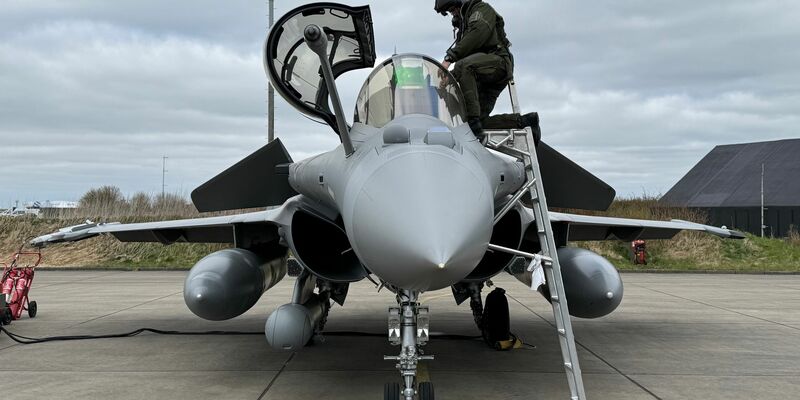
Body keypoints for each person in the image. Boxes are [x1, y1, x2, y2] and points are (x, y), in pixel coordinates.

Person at [435, 0, 541, 143]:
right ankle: (525, 121)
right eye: (450, 12)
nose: (453, 14)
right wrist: (450, 77)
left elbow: (478, 34)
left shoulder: (481, 10)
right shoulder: (464, 29)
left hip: (498, 63)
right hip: (481, 76)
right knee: (480, 122)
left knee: (463, 67)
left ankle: (473, 122)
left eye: (453, 9)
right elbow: (465, 63)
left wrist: (449, 58)